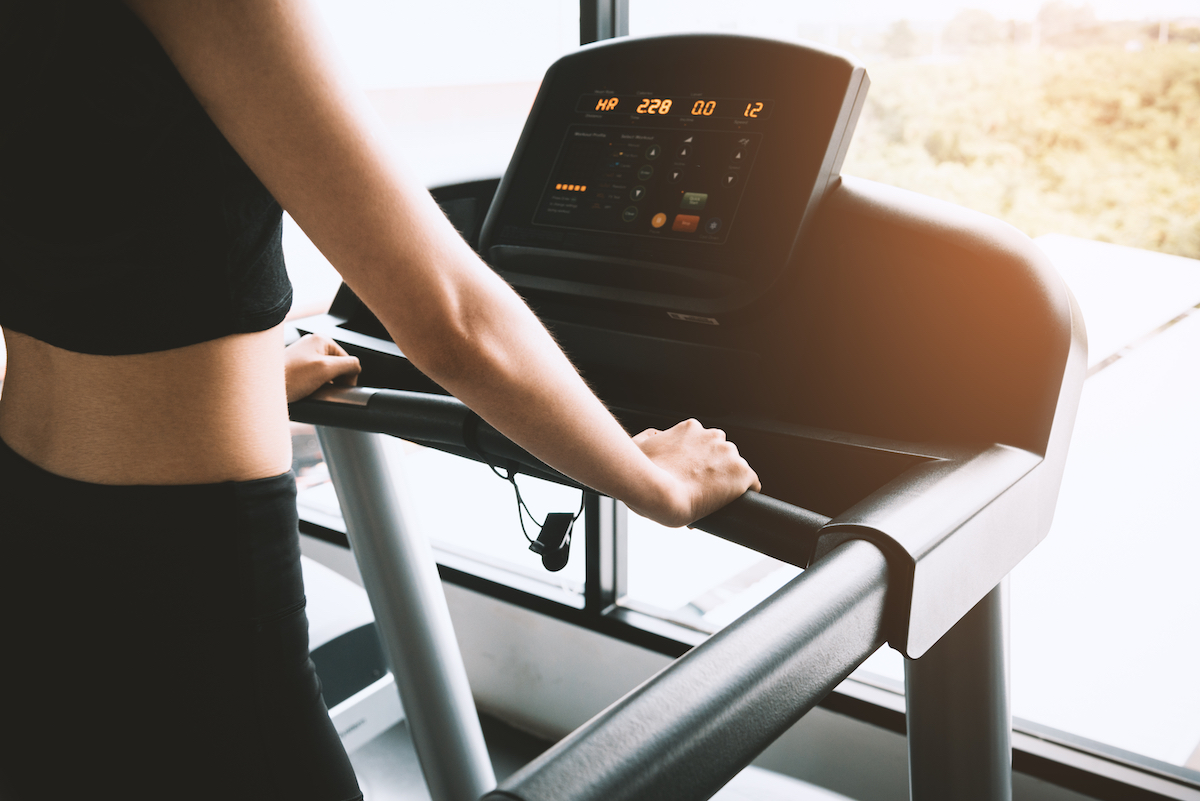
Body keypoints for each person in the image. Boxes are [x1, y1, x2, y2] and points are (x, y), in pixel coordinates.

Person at [0, 1, 760, 798]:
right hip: (184, 566)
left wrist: (241, 383)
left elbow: (75, 232)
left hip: (28, 520)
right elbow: (451, 319)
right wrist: (650, 478)